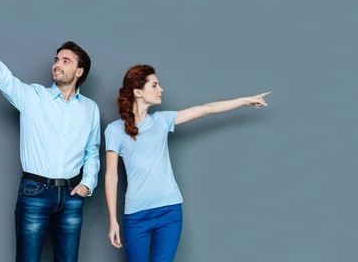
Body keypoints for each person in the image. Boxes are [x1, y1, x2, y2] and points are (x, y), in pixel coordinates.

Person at [0, 7, 101, 262]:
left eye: (66, 61)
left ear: (79, 72)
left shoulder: (90, 109)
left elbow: (92, 151)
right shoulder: (33, 97)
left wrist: (88, 183)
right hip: (35, 193)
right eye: (56, 59)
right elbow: (0, 75)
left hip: (72, 195)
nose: (57, 65)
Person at [104, 64, 270, 262]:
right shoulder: (114, 131)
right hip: (136, 216)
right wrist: (113, 221)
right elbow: (111, 176)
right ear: (138, 92)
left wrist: (245, 101)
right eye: (155, 85)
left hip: (169, 211)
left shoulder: (162, 121)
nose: (161, 89)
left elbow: (206, 110)